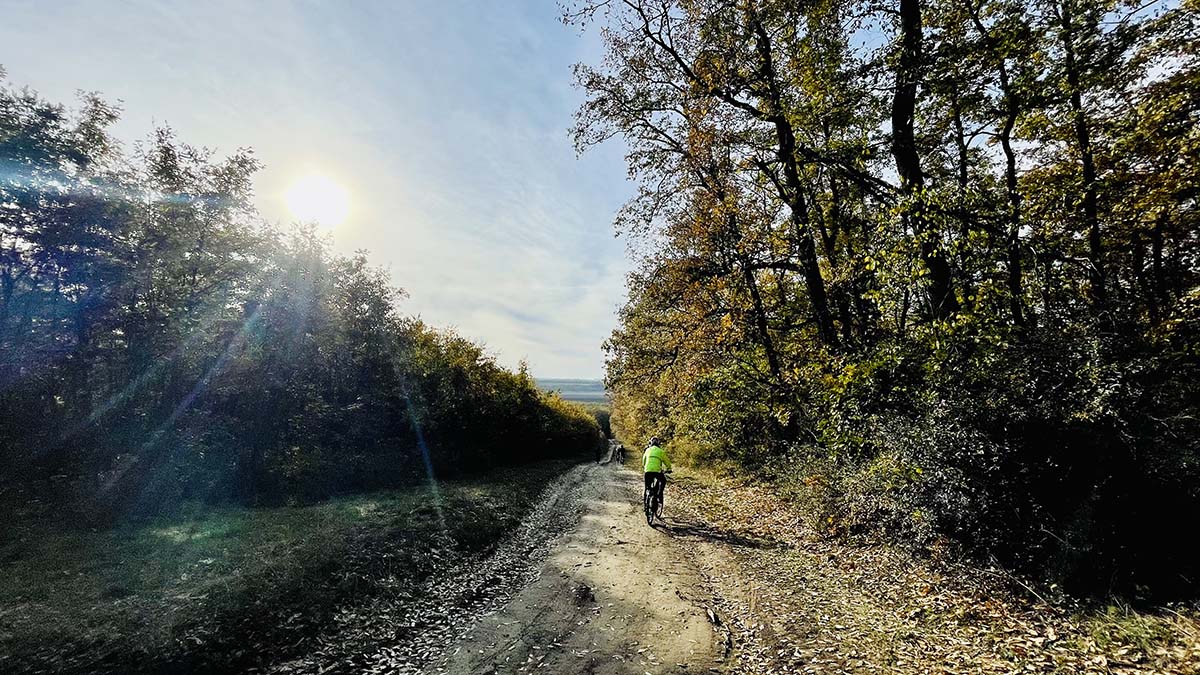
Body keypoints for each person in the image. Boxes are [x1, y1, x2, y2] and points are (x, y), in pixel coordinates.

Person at [642, 436, 671, 515]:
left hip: (647, 471)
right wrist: (669, 469)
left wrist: (645, 467)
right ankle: (659, 493)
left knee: (647, 487)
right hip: (657, 471)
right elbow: (667, 462)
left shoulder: (647, 450)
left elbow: (643, 460)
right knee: (663, 481)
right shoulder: (661, 451)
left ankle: (645, 505)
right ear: (658, 444)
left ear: (650, 443)